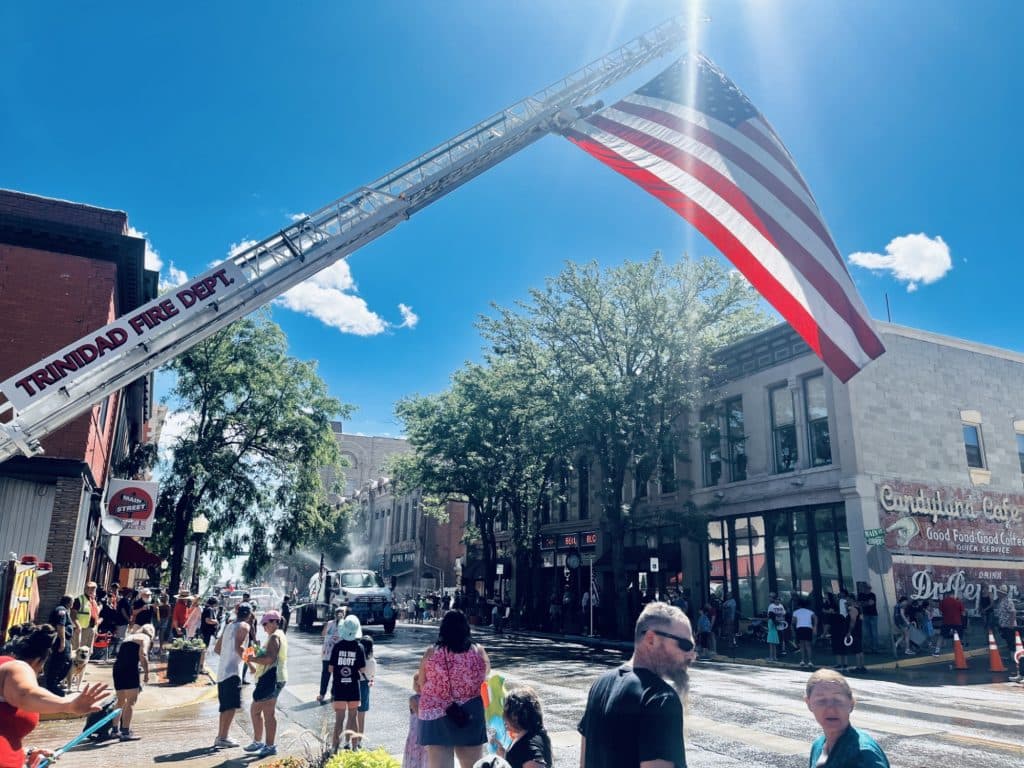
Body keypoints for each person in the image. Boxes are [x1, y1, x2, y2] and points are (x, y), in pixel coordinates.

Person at [578, 601, 695, 768]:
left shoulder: (599, 685)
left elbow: (583, 763)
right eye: (684, 645)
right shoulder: (659, 698)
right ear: (651, 639)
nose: (691, 655)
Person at [0, 623, 110, 768]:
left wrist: (26, 753)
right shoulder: (16, 666)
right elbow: (24, 695)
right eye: (40, 670)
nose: (40, 675)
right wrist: (68, 705)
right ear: (38, 661)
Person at [417, 609, 490, 768]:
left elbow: (422, 683)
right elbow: (485, 680)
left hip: (435, 713)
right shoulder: (478, 652)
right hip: (470, 714)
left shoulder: (431, 653)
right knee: (472, 765)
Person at [805, 668, 890, 767]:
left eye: (838, 700)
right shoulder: (818, 745)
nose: (831, 709)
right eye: (821, 701)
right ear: (809, 703)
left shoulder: (863, 755)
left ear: (851, 704)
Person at [245, 611, 288, 758]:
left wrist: (252, 658)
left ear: (275, 622)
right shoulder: (277, 635)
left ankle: (268, 745)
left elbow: (270, 659)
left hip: (272, 679)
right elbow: (268, 654)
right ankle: (261, 743)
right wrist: (257, 650)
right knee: (260, 711)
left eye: (266, 623)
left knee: (263, 712)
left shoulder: (275, 636)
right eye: (262, 624)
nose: (264, 627)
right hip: (273, 678)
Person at [215, 602, 251, 750]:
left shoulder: (229, 625)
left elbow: (217, 649)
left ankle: (221, 736)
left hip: (222, 671)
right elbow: (239, 647)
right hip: (233, 672)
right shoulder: (244, 626)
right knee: (230, 707)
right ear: (249, 614)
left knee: (225, 707)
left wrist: (227, 656)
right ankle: (223, 737)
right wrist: (252, 662)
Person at [488, 685, 551, 768]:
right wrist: (504, 756)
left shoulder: (528, 745)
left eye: (505, 712)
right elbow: (519, 760)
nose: (503, 718)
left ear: (515, 716)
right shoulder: (536, 733)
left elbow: (533, 762)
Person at [329, 614, 366, 752]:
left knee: (339, 719)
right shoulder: (359, 647)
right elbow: (362, 668)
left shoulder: (337, 646)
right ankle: (355, 747)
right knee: (353, 716)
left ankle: (334, 748)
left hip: (339, 686)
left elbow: (331, 668)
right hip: (353, 687)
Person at [112, 625, 152, 741]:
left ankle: (115, 730)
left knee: (120, 701)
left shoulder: (129, 637)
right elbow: (143, 654)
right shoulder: (145, 638)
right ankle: (125, 731)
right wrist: (146, 673)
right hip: (130, 669)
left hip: (117, 668)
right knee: (130, 702)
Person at [44, 596, 74, 695]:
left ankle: (54, 683)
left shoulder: (62, 610)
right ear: (69, 602)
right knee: (59, 663)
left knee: (66, 662)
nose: (72, 604)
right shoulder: (62, 611)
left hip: (63, 640)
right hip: (59, 640)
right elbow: (60, 626)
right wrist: (62, 642)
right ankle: (52, 685)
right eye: (72, 602)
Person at [319, 607, 345, 704]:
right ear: (335, 614)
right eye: (338, 613)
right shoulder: (330, 623)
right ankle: (322, 694)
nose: (339, 615)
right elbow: (323, 634)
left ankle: (334, 693)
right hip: (328, 652)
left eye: (341, 613)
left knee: (337, 675)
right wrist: (326, 627)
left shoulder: (345, 625)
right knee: (325, 674)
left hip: (339, 652)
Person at [356, 634, 376, 751]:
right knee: (361, 715)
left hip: (354, 685)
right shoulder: (372, 661)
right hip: (364, 686)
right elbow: (372, 676)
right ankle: (359, 741)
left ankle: (350, 739)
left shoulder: (356, 659)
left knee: (352, 714)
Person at [404, 673, 427, 768]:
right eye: (416, 684)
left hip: (426, 732)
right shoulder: (413, 699)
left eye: (420, 684)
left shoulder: (429, 698)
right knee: (415, 757)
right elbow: (420, 714)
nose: (418, 687)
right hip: (416, 733)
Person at [72, 581, 100, 654]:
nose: (91, 590)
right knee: (80, 652)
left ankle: (84, 665)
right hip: (82, 630)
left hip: (91, 629)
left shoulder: (93, 601)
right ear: (85, 589)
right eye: (89, 588)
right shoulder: (79, 600)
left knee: (88, 652)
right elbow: (73, 614)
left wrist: (96, 629)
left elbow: (96, 616)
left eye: (93, 589)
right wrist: (78, 626)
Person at [793, 597, 817, 668]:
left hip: (800, 628)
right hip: (808, 628)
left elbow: (793, 622)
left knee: (802, 645)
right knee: (808, 645)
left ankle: (802, 660)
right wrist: (815, 626)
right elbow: (815, 618)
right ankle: (810, 661)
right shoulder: (810, 612)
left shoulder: (796, 612)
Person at [856, 583, 879, 653]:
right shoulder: (860, 595)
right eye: (865, 588)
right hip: (865, 615)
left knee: (874, 633)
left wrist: (863, 603)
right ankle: (869, 648)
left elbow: (871, 603)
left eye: (868, 588)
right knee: (867, 633)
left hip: (873, 615)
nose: (867, 589)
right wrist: (866, 603)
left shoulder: (872, 595)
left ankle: (875, 648)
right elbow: (859, 604)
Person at [844, 603, 866, 673]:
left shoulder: (853, 610)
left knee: (857, 650)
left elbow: (853, 621)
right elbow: (861, 619)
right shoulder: (859, 610)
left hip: (854, 631)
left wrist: (849, 631)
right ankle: (861, 666)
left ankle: (859, 667)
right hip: (858, 630)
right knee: (860, 649)